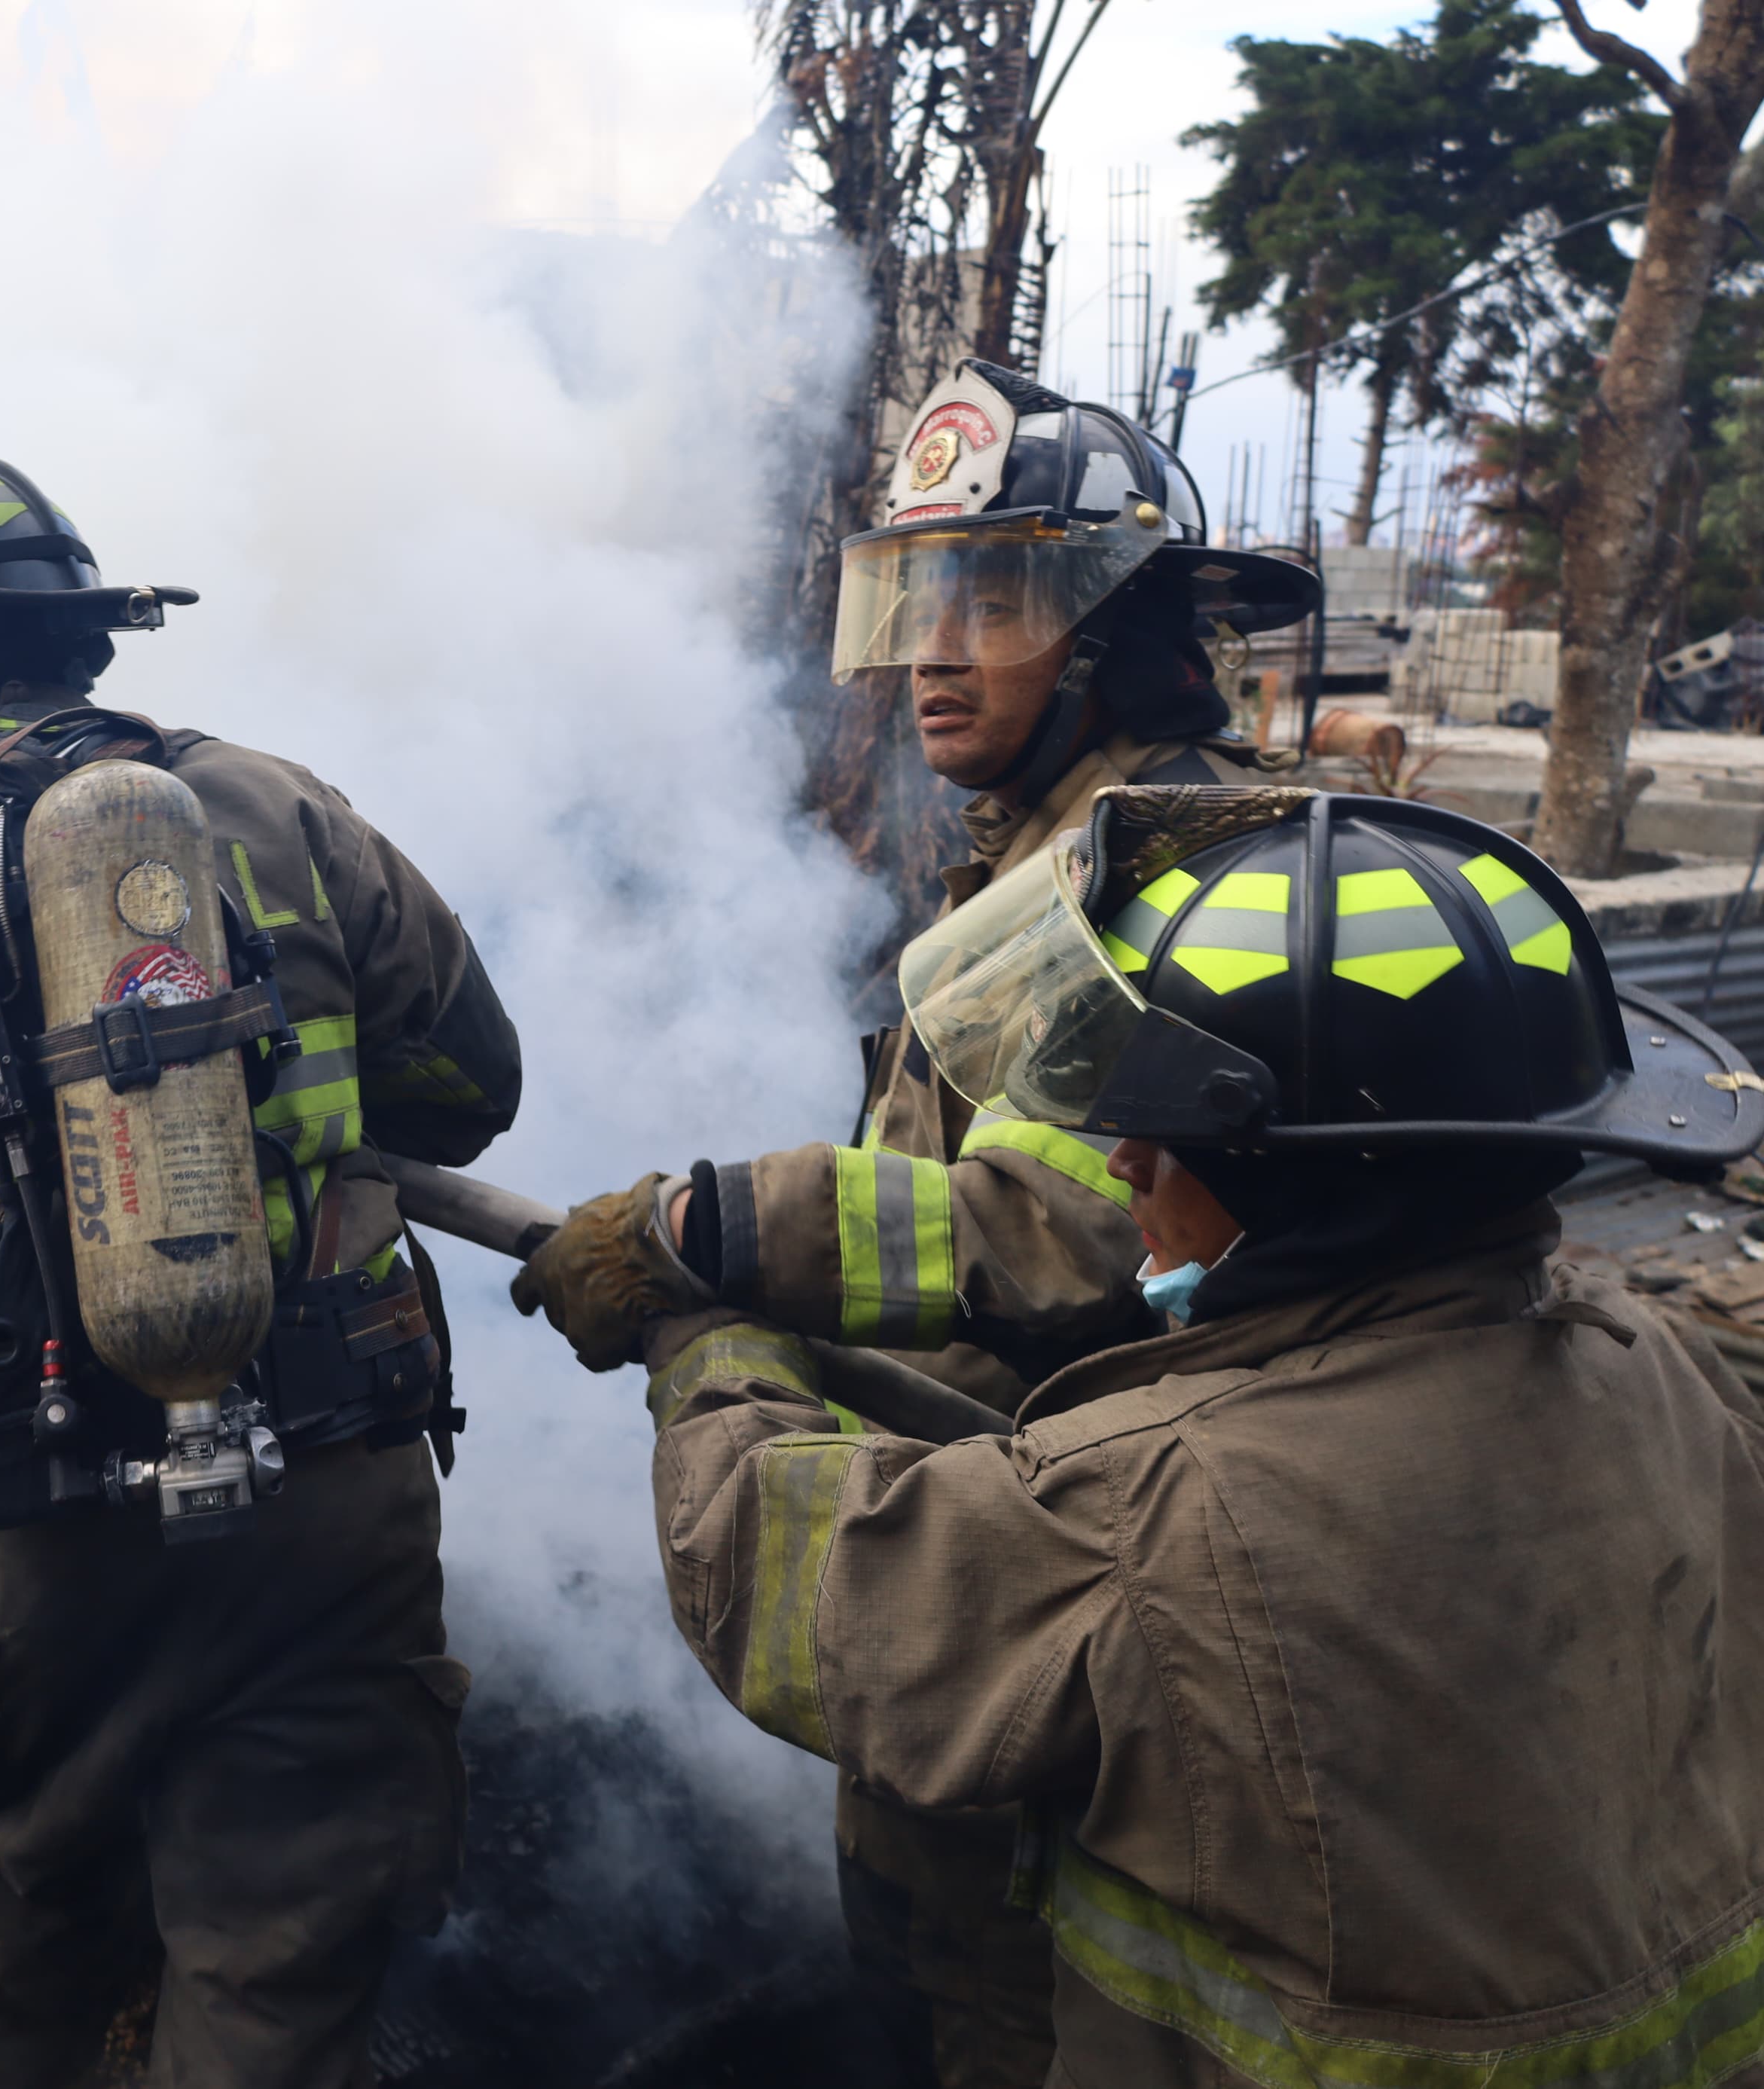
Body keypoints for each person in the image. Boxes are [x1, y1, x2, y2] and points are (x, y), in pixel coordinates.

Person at [530, 783, 1764, 2088]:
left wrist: (705, 1344)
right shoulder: (1663, 1365)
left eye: (1169, 1136)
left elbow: (788, 1580)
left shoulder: (1169, 1505)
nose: (1118, 1167)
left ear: (1305, 1178)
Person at [516, 360, 1325, 2087]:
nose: (932, 652)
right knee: (916, 1970)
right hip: (994, 1530)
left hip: (1099, 1572)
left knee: (1015, 2015)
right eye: (918, 597)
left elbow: (1058, 1228)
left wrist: (706, 1230)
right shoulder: (1046, 846)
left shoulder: (1165, 869)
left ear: (1110, 627)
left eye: (998, 598)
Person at [0, 454, 523, 2087]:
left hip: (55, 1520)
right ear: (79, 639)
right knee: (282, 1967)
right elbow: (469, 1090)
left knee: (1, 1965)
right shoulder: (282, 809)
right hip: (335, 1496)